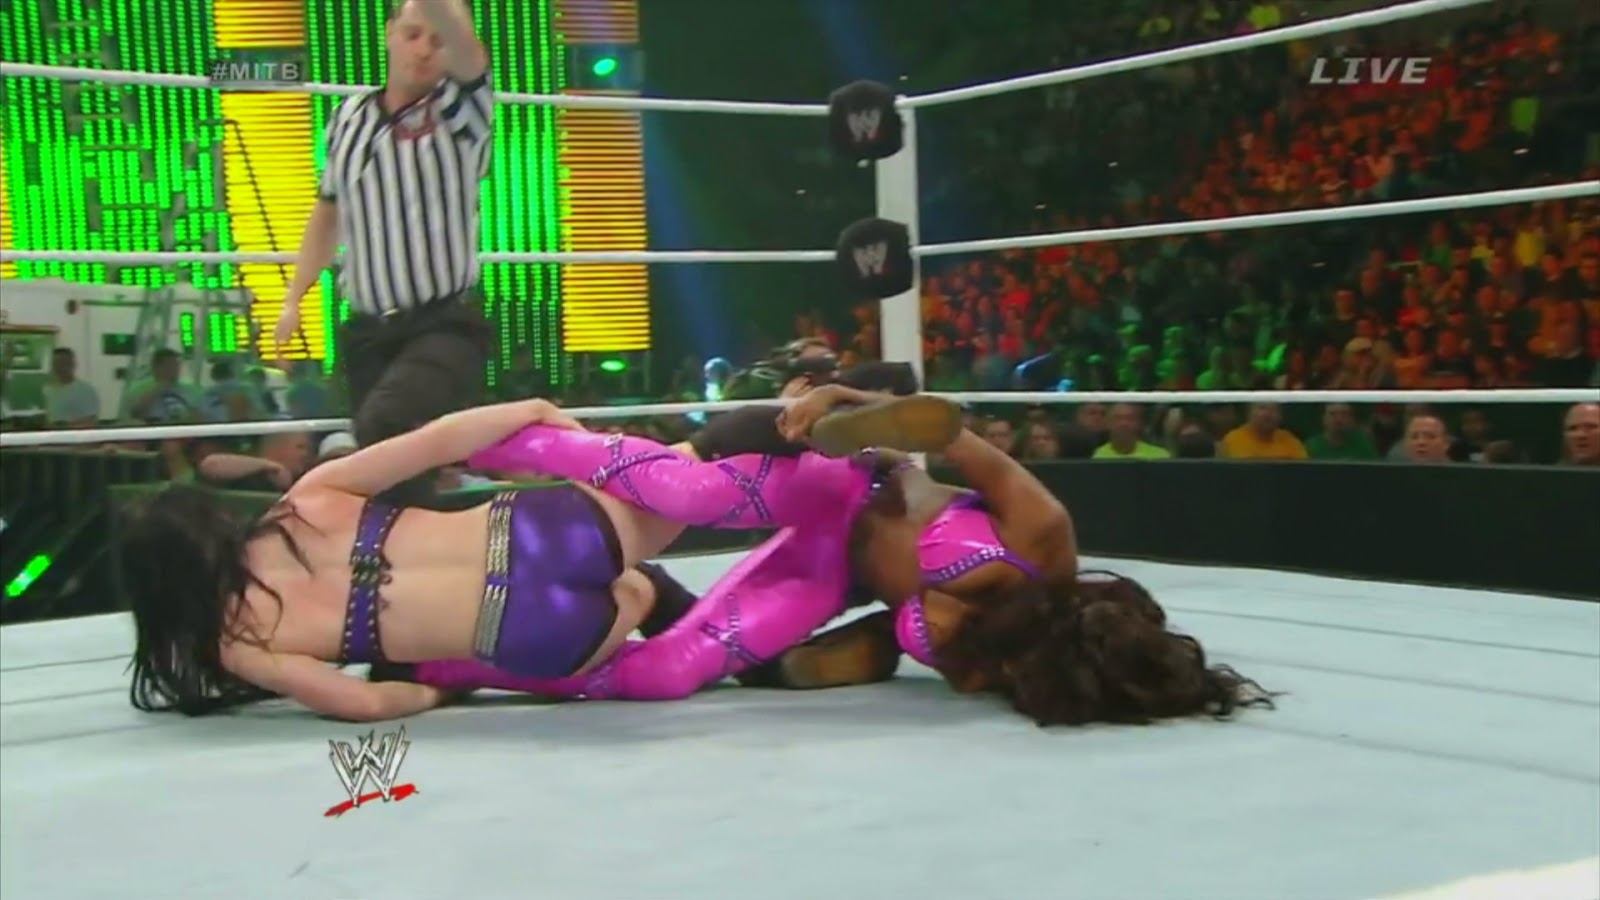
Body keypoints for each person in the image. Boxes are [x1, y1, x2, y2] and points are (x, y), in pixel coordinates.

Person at [407, 387, 1273, 727]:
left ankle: (450, 663)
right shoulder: (1043, 537)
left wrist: (834, 655)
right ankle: (500, 438)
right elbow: (944, 431)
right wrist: (849, 402)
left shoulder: (998, 669)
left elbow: (903, 636)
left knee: (670, 674)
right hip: (845, 484)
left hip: (828, 577)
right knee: (688, 493)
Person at [123, 397, 891, 721]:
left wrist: (435, 690)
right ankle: (838, 459)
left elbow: (362, 705)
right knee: (688, 475)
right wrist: (533, 419)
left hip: (545, 637)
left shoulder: (241, 644)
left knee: (634, 602)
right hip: (545, 533)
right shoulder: (305, 503)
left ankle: (785, 588)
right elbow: (434, 441)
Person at [272, 0, 493, 502]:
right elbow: (328, 211)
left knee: (383, 426)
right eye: (413, 34)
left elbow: (468, 52)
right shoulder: (347, 117)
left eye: (437, 40)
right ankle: (415, 547)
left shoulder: (462, 113)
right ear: (390, 34)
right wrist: (294, 297)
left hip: (442, 325)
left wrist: (443, 17)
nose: (424, 50)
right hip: (368, 332)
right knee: (394, 480)